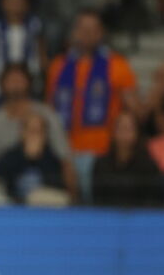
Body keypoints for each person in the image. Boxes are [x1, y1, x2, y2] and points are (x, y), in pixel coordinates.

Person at [46, 11, 137, 193]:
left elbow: (134, 109)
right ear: (74, 32)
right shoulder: (58, 65)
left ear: (101, 33)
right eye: (83, 29)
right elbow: (49, 107)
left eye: (93, 29)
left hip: (101, 153)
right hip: (64, 152)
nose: (87, 34)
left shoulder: (117, 65)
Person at [0, 112, 75, 206]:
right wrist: (25, 157)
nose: (34, 136)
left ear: (45, 135)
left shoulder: (51, 156)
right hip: (14, 203)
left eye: (38, 131)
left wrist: (36, 157)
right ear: (22, 132)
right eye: (31, 131)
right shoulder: (12, 154)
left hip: (44, 205)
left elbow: (61, 186)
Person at [91, 112, 161, 207]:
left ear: (137, 133)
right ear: (113, 133)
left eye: (128, 129)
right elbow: (97, 199)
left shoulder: (149, 166)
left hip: (141, 213)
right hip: (108, 213)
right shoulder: (101, 164)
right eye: (121, 128)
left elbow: (152, 199)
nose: (124, 134)